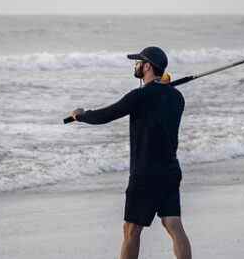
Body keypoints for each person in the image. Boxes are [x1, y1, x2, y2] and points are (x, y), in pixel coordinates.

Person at [70, 46, 192, 259]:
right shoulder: (177, 98)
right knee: (173, 223)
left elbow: (106, 115)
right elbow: (161, 100)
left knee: (131, 230)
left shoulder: (139, 96)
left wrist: (81, 115)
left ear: (147, 66)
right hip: (171, 171)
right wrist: (163, 88)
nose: (135, 65)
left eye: (138, 62)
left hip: (145, 173)